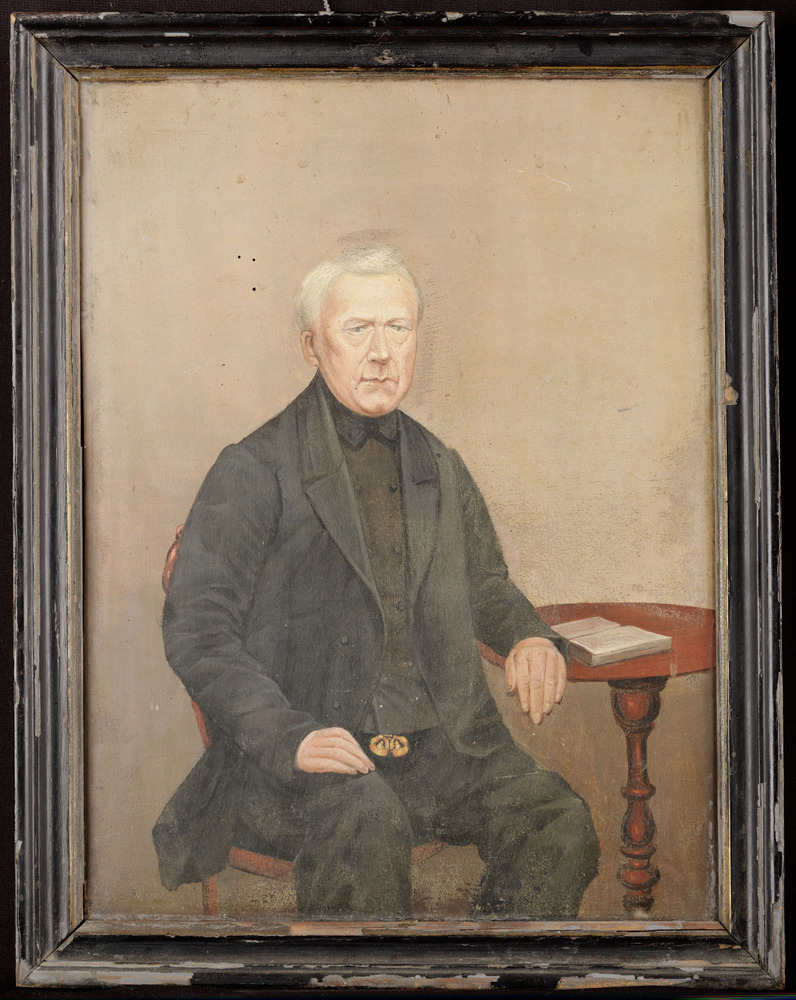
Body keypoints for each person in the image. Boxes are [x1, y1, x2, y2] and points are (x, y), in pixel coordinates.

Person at [153, 244, 599, 919]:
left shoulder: (440, 465)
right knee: (366, 823)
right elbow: (198, 633)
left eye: (398, 328)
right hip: (302, 764)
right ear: (312, 345)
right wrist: (291, 737)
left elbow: (487, 587)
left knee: (559, 823)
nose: (382, 353)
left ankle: (493, 966)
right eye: (357, 329)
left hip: (440, 756)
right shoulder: (252, 467)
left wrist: (530, 637)